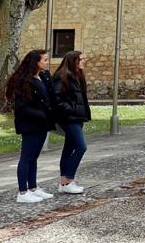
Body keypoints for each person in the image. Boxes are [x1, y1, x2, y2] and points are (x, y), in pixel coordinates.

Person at [8, 49, 56, 203]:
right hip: (31, 124)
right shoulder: (25, 81)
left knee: (34, 157)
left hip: (42, 124)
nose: (47, 62)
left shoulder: (42, 77)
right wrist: (42, 114)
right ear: (36, 62)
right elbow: (22, 107)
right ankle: (22, 192)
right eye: (45, 60)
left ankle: (33, 188)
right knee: (26, 157)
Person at [52, 50, 91, 195]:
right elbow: (58, 99)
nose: (84, 61)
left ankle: (64, 182)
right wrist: (73, 110)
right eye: (81, 59)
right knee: (81, 147)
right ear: (73, 61)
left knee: (68, 149)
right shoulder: (62, 77)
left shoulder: (77, 76)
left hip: (77, 118)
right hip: (68, 118)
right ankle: (69, 180)